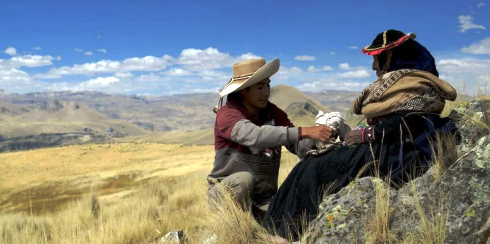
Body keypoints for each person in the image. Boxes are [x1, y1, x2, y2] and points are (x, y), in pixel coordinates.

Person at [262, 30, 459, 240]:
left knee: (316, 167)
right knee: (309, 163)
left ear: (392, 57)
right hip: (385, 145)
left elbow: (408, 123)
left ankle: (286, 234)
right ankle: (275, 232)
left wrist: (367, 134)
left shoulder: (416, 85)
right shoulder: (405, 83)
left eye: (377, 59)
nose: (374, 66)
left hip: (398, 152)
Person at [207, 58, 334, 221]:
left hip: (263, 199)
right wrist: (304, 131)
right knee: (244, 180)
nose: (266, 92)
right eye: (260, 87)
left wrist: (322, 137)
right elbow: (254, 135)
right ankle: (231, 224)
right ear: (244, 90)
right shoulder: (227, 114)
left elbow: (297, 145)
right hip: (226, 194)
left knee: (291, 222)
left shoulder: (274, 113)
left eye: (268, 85)